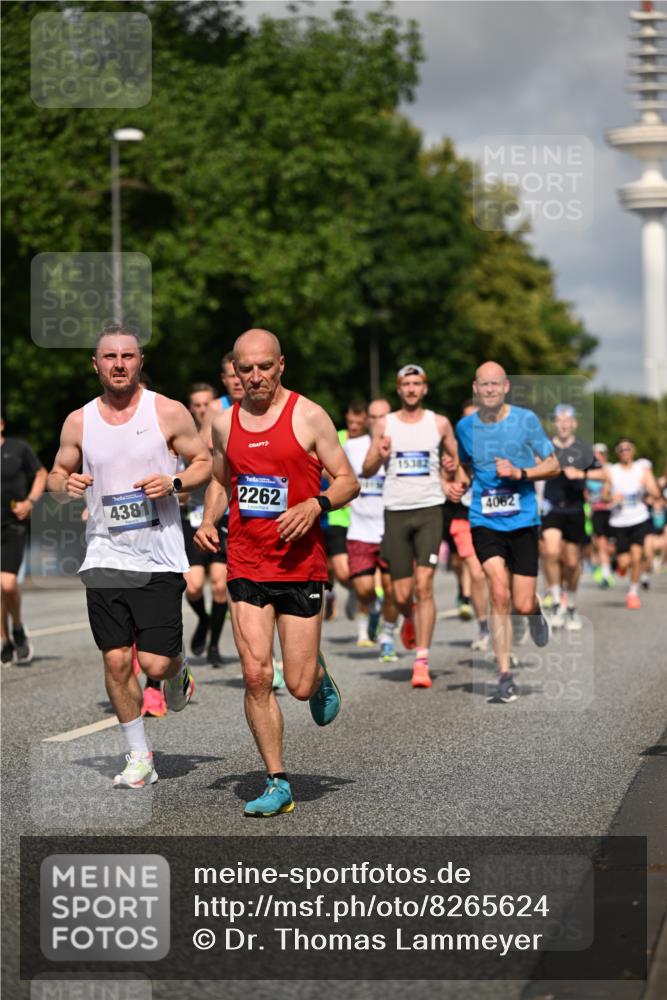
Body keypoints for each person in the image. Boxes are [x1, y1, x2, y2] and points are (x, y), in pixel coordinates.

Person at [195, 328, 358, 817]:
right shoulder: (224, 424)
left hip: (300, 565)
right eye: (246, 369)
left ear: (281, 365)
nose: (256, 376)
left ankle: (319, 671)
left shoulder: (308, 416)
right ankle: (277, 779)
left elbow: (348, 480)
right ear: (235, 372)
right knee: (256, 674)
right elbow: (224, 482)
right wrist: (207, 519)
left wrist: (316, 503)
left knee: (300, 684)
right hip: (246, 560)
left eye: (264, 367)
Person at [47, 325, 211, 788]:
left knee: (155, 665)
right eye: (109, 356)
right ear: (95, 364)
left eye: (128, 356)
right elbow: (56, 476)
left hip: (158, 555)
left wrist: (174, 483)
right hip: (104, 552)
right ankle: (139, 755)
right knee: (117, 660)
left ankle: (178, 672)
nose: (119, 363)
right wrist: (67, 485)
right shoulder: (80, 420)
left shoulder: (167, 410)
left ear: (140, 361)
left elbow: (203, 463)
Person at [455, 362, 559, 704]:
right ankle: (504, 674)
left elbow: (553, 464)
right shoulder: (465, 427)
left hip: (523, 520)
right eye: (483, 384)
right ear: (475, 387)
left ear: (506, 387)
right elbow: (465, 467)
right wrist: (455, 482)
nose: (489, 389)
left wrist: (521, 472)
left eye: (494, 384)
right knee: (499, 592)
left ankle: (533, 612)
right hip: (484, 519)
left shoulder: (526, 420)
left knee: (522, 600)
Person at [362, 364, 459, 689]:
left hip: (430, 508)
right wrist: (380, 453)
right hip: (396, 510)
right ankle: (409, 617)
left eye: (417, 383)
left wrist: (452, 471)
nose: (412, 389)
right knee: (401, 594)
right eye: (406, 384)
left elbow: (455, 467)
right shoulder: (385, 423)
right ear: (399, 389)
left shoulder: (440, 423)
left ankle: (422, 661)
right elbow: (366, 467)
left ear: (425, 389)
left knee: (424, 584)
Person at [343, 398, 399, 659]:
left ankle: (387, 636)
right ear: (368, 420)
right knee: (364, 589)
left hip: (390, 530)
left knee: (391, 590)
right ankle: (373, 612)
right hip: (360, 530)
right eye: (374, 417)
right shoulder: (352, 446)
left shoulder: (400, 444)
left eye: (383, 416)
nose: (378, 421)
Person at [540, 404, 603, 630]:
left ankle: (572, 605)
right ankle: (556, 601)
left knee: (573, 563)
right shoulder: (546, 447)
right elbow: (534, 469)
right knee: (551, 551)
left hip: (575, 510)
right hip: (552, 508)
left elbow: (604, 473)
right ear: (554, 423)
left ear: (574, 423)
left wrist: (581, 473)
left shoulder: (583, 449)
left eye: (568, 420)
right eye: (560, 419)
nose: (564, 424)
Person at [183, 382, 229, 666]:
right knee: (194, 587)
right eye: (197, 405)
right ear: (191, 408)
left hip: (222, 514)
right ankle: (204, 618)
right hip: (191, 517)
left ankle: (213, 645)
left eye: (206, 404)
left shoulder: (224, 432)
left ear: (215, 405)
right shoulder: (185, 438)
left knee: (220, 585)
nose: (202, 409)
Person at [441, 402, 490, 652]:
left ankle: (507, 616)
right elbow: (440, 476)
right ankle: (483, 627)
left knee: (499, 575)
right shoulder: (453, 449)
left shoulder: (496, 443)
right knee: (477, 573)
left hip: (494, 516)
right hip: (463, 519)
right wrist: (447, 477)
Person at [1, 417, 47, 664]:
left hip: (12, 525)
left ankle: (17, 626)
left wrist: (30, 503)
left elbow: (41, 473)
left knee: (7, 584)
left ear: (1, 424)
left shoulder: (18, 448)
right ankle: (4, 640)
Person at [603, 438, 660, 610]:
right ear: (617, 453)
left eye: (628, 448)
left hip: (639, 518)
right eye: (621, 449)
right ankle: (619, 566)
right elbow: (604, 494)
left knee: (637, 556)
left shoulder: (641, 470)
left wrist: (649, 488)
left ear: (633, 451)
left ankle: (633, 593)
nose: (625, 451)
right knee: (624, 562)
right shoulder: (612, 471)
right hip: (619, 521)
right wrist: (612, 498)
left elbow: (656, 492)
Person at [586, 443, 615, 588]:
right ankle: (605, 573)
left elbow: (614, 487)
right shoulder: (587, 471)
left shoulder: (610, 469)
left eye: (601, 454)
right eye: (595, 454)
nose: (598, 456)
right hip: (595, 512)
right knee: (600, 543)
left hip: (613, 511)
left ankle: (610, 566)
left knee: (612, 547)